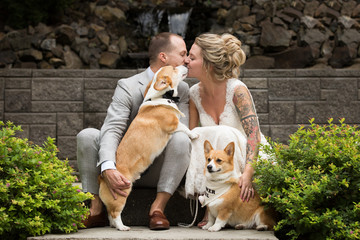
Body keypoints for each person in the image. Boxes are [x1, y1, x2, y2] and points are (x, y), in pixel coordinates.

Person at [77, 32, 191, 230]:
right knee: (87, 135)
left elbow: (184, 127)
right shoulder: (128, 86)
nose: (187, 59)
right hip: (124, 165)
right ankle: (96, 210)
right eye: (182, 54)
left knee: (182, 137)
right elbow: (112, 129)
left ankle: (158, 209)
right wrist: (108, 167)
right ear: (163, 57)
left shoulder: (182, 88)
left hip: (158, 166)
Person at [185, 33, 269, 227]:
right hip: (218, 165)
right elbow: (195, 140)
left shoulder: (237, 90)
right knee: (198, 136)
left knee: (223, 132)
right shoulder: (194, 94)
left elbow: (253, 136)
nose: (186, 61)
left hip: (248, 159)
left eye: (192, 57)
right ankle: (210, 204)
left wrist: (247, 174)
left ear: (209, 64)